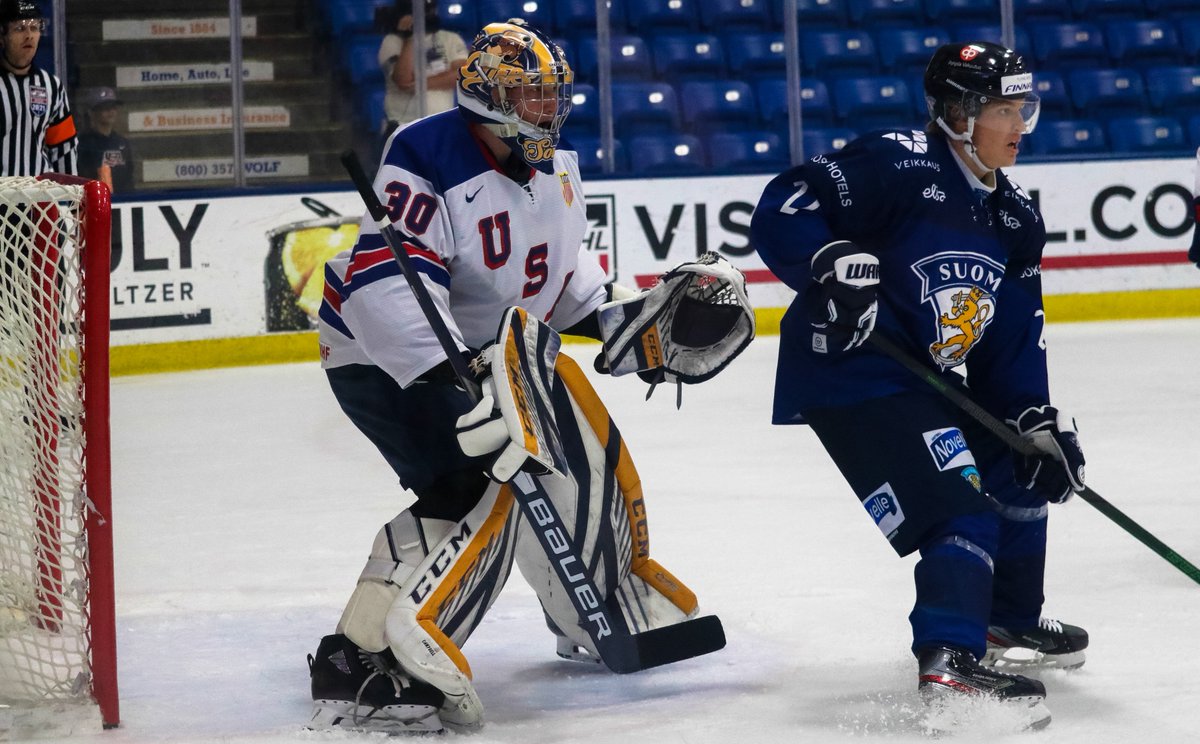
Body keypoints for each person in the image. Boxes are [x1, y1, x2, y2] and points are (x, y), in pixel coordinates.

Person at [306, 19, 752, 734]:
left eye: (550, 95)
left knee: (518, 473)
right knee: (475, 489)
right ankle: (358, 652)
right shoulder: (424, 153)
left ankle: (590, 606)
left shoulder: (555, 167)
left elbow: (561, 283)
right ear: (485, 96)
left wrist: (630, 325)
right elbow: (388, 287)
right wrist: (457, 376)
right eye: (529, 95)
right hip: (380, 356)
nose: (546, 110)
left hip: (488, 358)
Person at [751, 42, 1088, 730]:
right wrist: (829, 256)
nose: (1020, 124)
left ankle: (1005, 624)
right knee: (956, 503)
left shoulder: (1014, 218)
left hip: (923, 377)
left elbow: (1014, 336)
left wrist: (1031, 419)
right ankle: (949, 660)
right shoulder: (897, 162)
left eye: (1024, 107)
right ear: (959, 114)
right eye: (1003, 109)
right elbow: (784, 204)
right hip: (850, 371)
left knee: (1019, 465)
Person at [0, 0, 75, 176]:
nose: (29, 36)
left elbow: (64, 147)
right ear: (2, 36)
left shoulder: (52, 86)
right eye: (20, 29)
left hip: (38, 197)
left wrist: (72, 198)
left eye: (34, 28)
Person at [376, 0, 467, 139]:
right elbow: (403, 80)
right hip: (404, 128)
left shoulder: (450, 39)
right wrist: (411, 38)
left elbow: (463, 76)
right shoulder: (392, 41)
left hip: (440, 127)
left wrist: (419, 84)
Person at [77, 86, 134, 192]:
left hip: (124, 202)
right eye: (104, 107)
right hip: (95, 202)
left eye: (113, 107)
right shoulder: (83, 144)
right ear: (91, 112)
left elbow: (129, 178)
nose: (110, 111)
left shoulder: (122, 143)